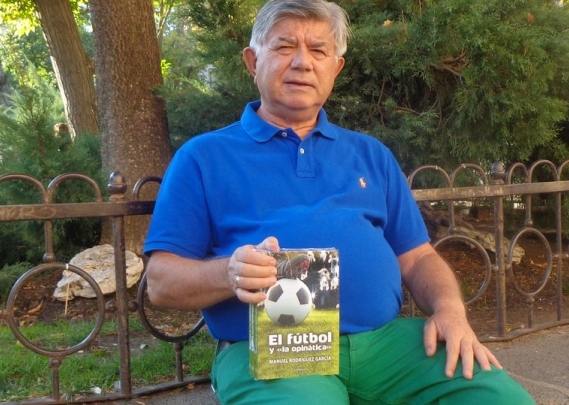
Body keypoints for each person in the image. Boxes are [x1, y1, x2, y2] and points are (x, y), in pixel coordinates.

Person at [144, 0, 535, 403]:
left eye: (318, 50)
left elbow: (418, 257)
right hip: (272, 351)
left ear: (336, 68)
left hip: (386, 346)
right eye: (284, 47)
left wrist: (450, 308)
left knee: (500, 397)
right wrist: (229, 273)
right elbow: (160, 282)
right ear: (252, 61)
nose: (302, 62)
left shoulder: (371, 154)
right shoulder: (203, 157)